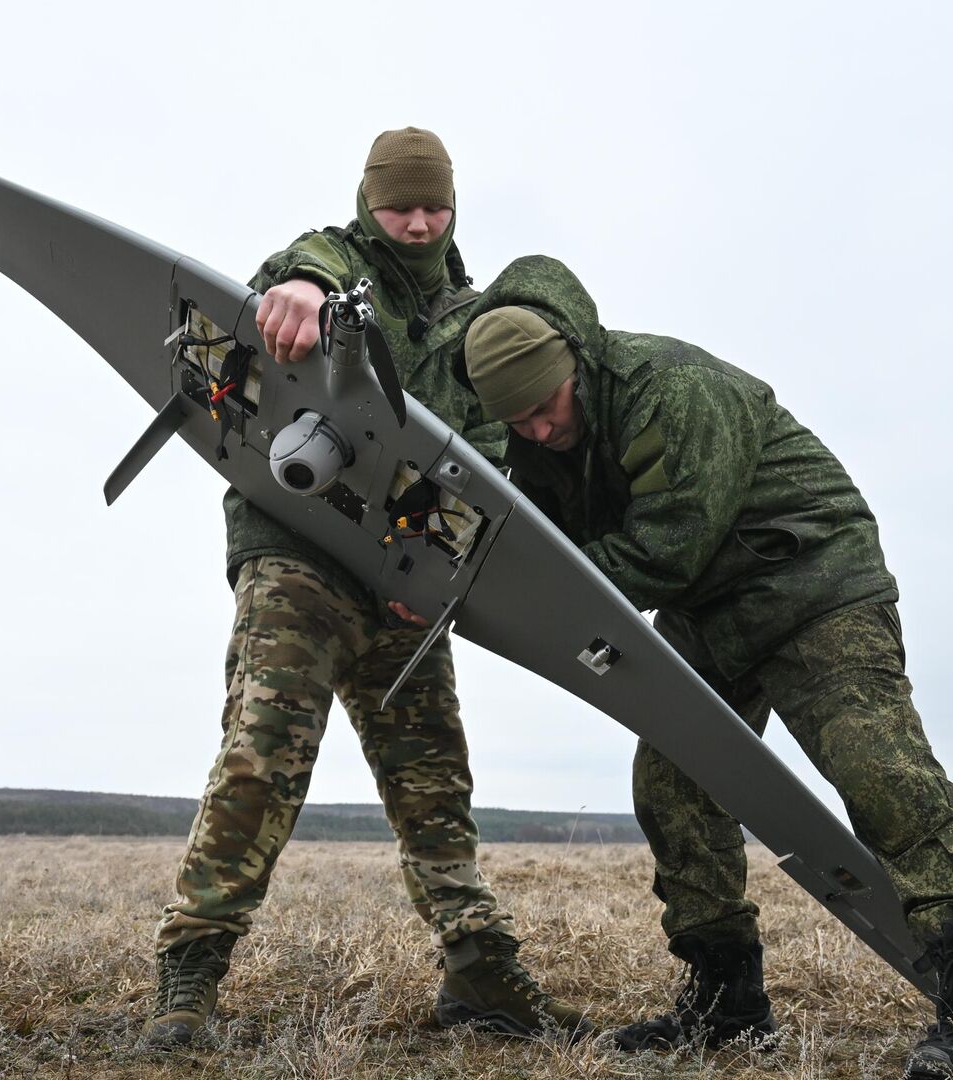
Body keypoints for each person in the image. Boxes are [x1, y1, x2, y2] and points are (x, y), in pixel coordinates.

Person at [457, 255, 953, 1078]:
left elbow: (666, 547)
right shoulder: (537, 438)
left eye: (546, 410)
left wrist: (524, 595)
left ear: (576, 367)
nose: (539, 432)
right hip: (709, 609)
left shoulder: (673, 387)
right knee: (672, 785)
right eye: (516, 423)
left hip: (811, 582)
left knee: (878, 772)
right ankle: (727, 1003)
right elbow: (545, 544)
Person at [143, 132, 586, 1047]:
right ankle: (190, 974)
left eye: (436, 207)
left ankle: (480, 973)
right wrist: (296, 290)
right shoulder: (337, 265)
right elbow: (297, 276)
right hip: (299, 556)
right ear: (367, 204)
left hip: (408, 585)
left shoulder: (475, 320)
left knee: (434, 781)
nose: (419, 224)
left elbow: (490, 461)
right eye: (400, 207)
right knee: (265, 753)